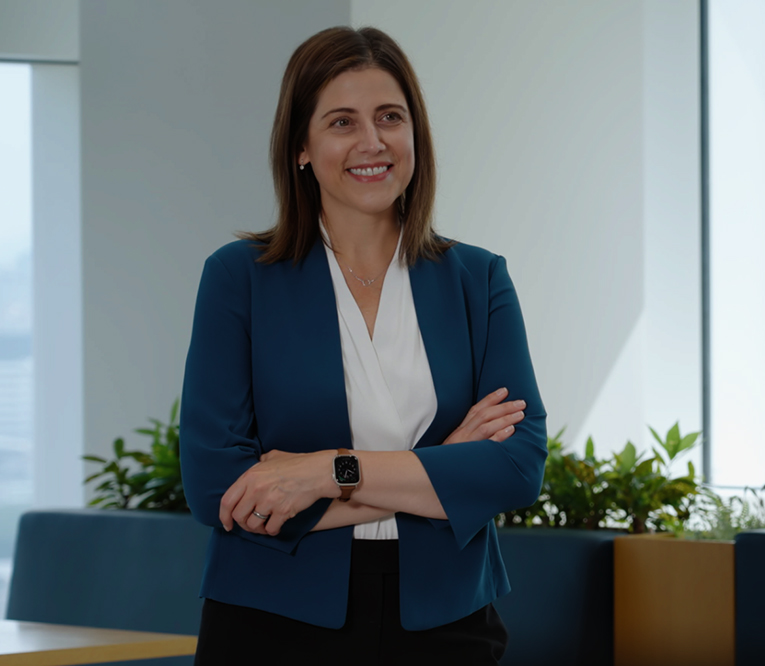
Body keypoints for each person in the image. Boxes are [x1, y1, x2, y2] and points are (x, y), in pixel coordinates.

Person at [179, 26, 547, 665]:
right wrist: (438, 470)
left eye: (390, 118)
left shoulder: (478, 279)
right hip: (270, 622)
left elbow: (516, 468)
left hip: (449, 621)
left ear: (415, 135)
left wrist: (323, 472)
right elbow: (220, 490)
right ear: (302, 145)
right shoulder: (238, 277)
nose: (372, 142)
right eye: (342, 121)